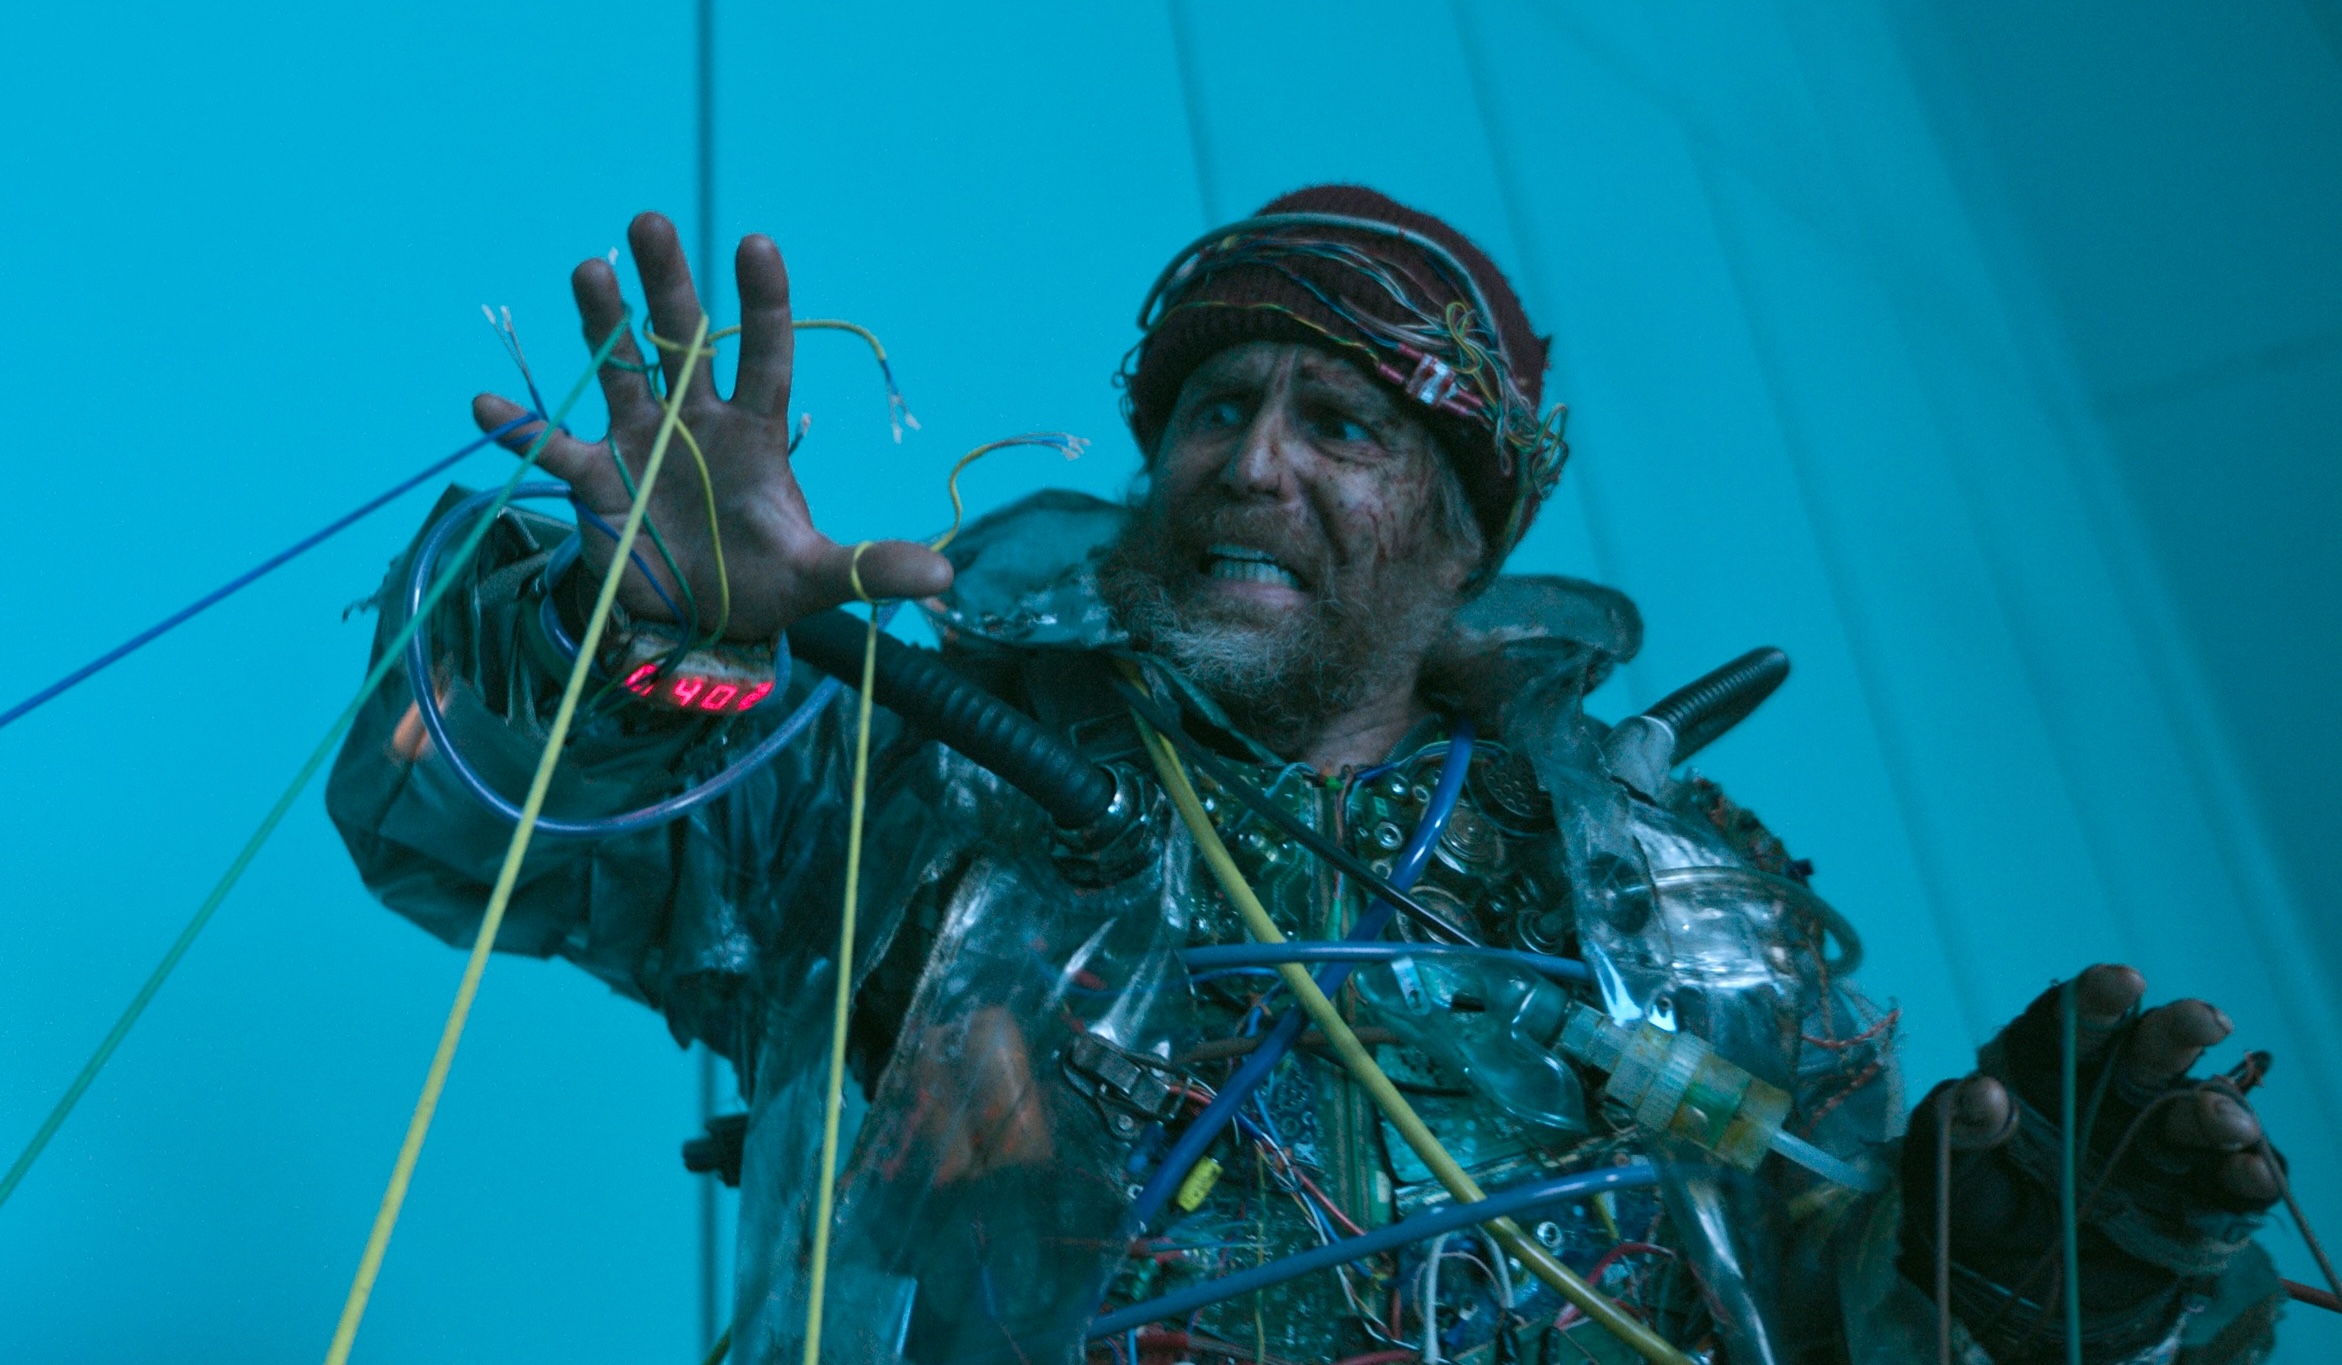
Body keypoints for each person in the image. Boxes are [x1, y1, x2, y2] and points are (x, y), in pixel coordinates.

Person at [328, 187, 2289, 1364]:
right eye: (1206, 405)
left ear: (1467, 524)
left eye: (1338, 415)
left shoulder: (1690, 901)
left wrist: (2049, 1266)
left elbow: (1833, 1290)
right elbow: (461, 809)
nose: (1249, 458)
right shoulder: (910, 780)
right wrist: (630, 625)